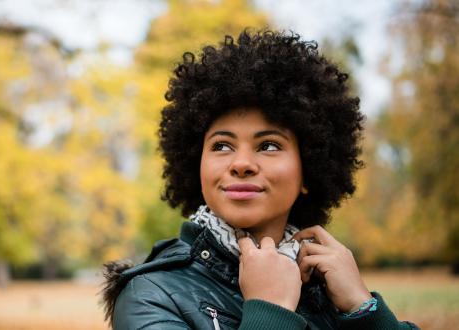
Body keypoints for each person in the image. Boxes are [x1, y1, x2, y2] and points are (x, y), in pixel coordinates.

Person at [101, 29, 419, 329]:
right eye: (222, 145)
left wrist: (365, 312)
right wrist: (271, 309)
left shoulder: (331, 288)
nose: (241, 164)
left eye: (268, 145)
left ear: (308, 169)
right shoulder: (150, 295)